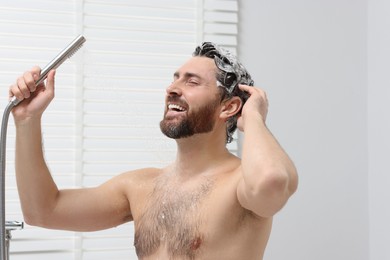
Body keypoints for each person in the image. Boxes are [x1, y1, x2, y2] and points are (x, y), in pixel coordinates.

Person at [9, 42, 298, 259]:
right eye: (175, 78)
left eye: (192, 81)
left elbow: (272, 181)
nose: (172, 88)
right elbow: (42, 210)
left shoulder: (241, 185)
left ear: (230, 107)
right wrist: (27, 121)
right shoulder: (140, 186)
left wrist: (254, 117)